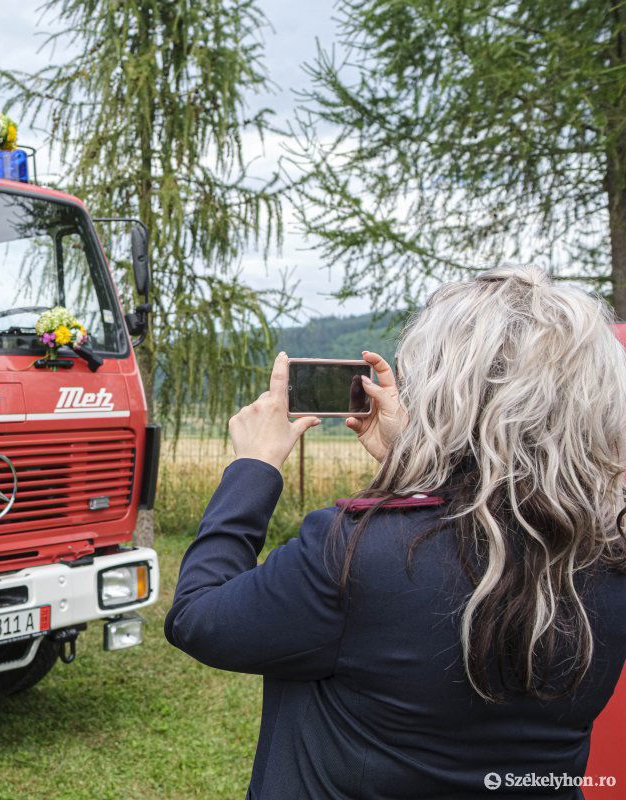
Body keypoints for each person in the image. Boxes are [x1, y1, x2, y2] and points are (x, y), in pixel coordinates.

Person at [166, 267, 626, 799]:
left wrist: (253, 468)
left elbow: (199, 618)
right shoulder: (607, 553)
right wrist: (415, 463)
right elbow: (487, 513)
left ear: (441, 396)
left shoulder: (356, 552)